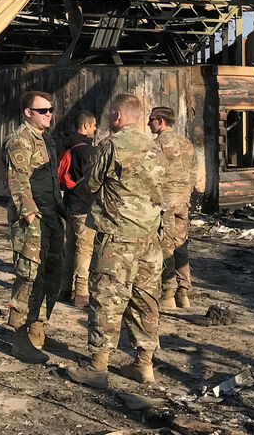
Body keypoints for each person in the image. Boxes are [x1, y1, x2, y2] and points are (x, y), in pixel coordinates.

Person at [70, 93, 166, 388]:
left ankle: (98, 368)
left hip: (117, 237)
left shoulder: (110, 146)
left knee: (107, 300)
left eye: (110, 113)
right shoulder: (154, 148)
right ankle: (144, 365)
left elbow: (91, 184)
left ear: (117, 115)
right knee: (146, 300)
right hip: (150, 239)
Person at [2, 90, 64, 364]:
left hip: (51, 216)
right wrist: (30, 217)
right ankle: (19, 337)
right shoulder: (19, 141)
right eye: (43, 110)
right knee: (28, 276)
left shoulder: (46, 139)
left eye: (50, 109)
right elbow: (19, 181)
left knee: (51, 274)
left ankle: (37, 329)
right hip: (34, 219)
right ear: (28, 113)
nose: (49, 114)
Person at [149, 106, 195, 310]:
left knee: (165, 245)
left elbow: (151, 174)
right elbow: (193, 172)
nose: (149, 123)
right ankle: (183, 292)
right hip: (183, 201)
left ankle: (167, 292)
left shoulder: (157, 145)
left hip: (165, 202)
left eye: (151, 119)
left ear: (160, 120)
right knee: (181, 244)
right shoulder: (186, 144)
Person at [60, 110, 97, 309]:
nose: (95, 129)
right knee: (85, 249)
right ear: (85, 126)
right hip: (84, 205)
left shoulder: (66, 145)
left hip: (70, 203)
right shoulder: (86, 151)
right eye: (93, 125)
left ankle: (64, 288)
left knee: (70, 246)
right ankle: (82, 293)